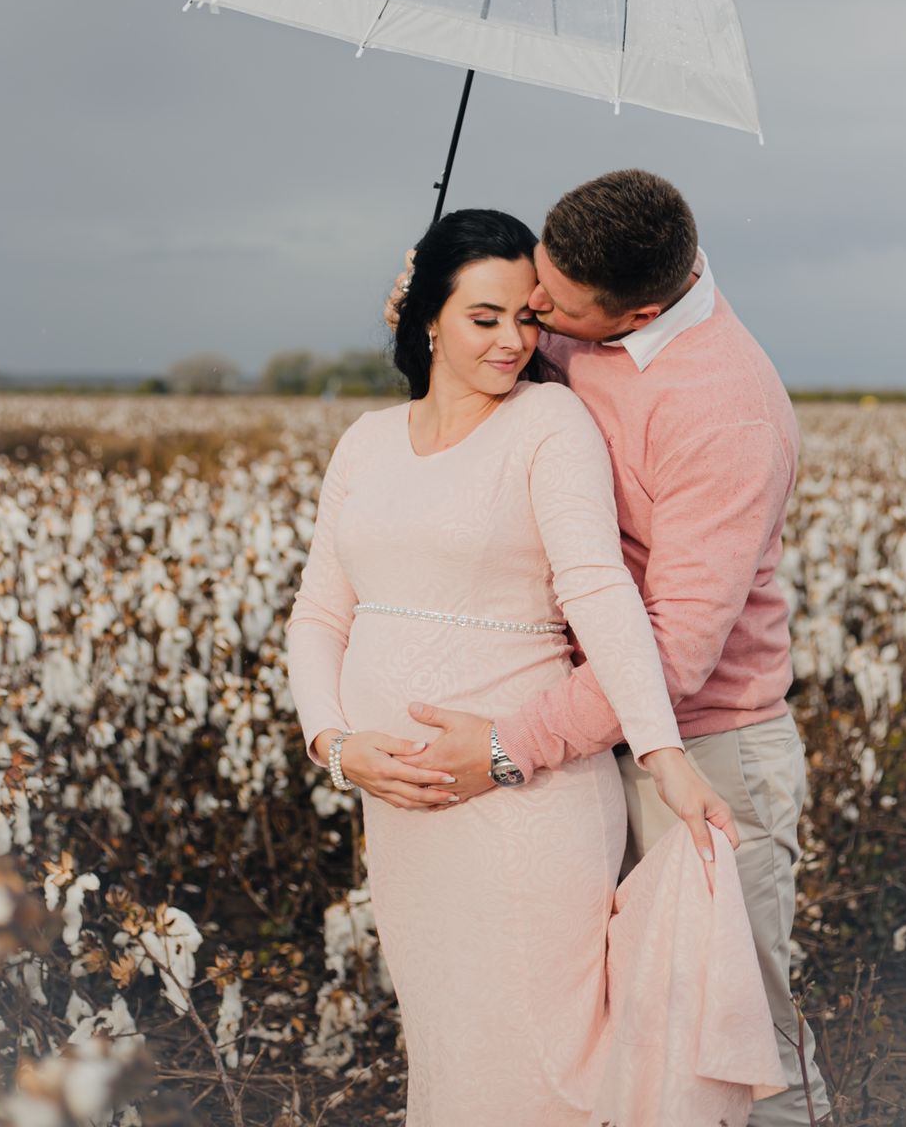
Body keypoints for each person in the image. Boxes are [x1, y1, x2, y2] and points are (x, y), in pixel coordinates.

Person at [286, 208, 786, 1127]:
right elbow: (320, 611)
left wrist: (664, 756)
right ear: (424, 316)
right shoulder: (363, 441)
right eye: (489, 318)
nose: (520, 338)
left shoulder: (555, 419)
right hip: (403, 809)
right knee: (451, 1044)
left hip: (522, 798)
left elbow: (603, 591)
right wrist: (335, 744)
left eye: (530, 318)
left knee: (544, 1065)